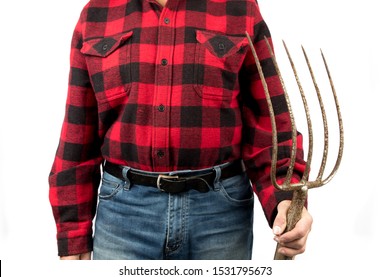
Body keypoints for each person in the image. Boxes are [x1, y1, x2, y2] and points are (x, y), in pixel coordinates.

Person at [49, 0, 312, 260]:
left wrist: (286, 198)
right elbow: (78, 131)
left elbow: (269, 122)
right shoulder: (97, 13)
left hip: (220, 216)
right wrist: (73, 233)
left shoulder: (239, 7)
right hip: (123, 216)